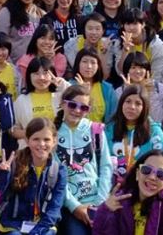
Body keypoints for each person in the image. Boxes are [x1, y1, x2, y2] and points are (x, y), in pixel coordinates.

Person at [54, 85, 112, 235]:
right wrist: (75, 207)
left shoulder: (95, 131)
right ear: (63, 104)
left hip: (97, 202)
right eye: (72, 105)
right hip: (69, 206)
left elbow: (106, 167)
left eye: (84, 107)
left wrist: (100, 203)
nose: (77, 110)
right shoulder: (52, 133)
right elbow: (56, 176)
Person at [0, 117, 67, 235]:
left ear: (54, 141)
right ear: (27, 140)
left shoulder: (59, 170)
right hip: (13, 224)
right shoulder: (14, 164)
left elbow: (55, 208)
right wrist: (3, 174)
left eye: (46, 139)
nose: (41, 144)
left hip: (43, 224)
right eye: (36, 139)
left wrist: (37, 232)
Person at [91, 150, 163, 235]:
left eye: (161, 175)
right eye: (146, 170)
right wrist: (105, 209)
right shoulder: (120, 200)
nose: (152, 177)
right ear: (137, 174)